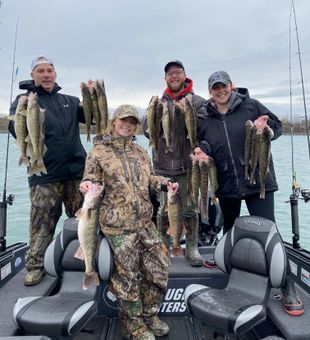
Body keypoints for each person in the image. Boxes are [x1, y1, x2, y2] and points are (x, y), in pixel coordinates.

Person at [195, 70, 304, 316]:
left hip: (258, 182)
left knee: (270, 231)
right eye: (215, 88)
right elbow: (206, 142)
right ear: (210, 92)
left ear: (231, 86)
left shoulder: (251, 105)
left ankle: (287, 285)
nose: (220, 91)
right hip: (226, 184)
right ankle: (232, 273)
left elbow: (277, 126)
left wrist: (266, 128)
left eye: (224, 86)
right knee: (230, 229)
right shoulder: (206, 116)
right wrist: (201, 150)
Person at [80, 105, 177, 340]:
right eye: (124, 120)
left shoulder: (140, 151)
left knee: (160, 268)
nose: (128, 125)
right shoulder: (98, 152)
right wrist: (86, 186)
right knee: (128, 277)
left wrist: (165, 183)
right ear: (114, 122)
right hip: (118, 226)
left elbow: (149, 178)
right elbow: (90, 180)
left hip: (145, 222)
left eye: (132, 122)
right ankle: (132, 326)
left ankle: (149, 315)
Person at [8, 55, 86, 286]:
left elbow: (94, 117)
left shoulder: (70, 101)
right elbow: (16, 128)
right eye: (40, 71)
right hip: (44, 174)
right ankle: (35, 266)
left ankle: (84, 261)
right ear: (32, 75)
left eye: (49, 70)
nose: (46, 75)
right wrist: (24, 107)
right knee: (41, 223)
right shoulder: (23, 100)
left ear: (56, 74)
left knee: (83, 222)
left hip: (77, 173)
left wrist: (93, 94)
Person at [143, 60, 207, 266]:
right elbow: (146, 129)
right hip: (162, 167)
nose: (174, 76)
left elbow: (204, 128)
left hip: (187, 167)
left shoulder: (197, 101)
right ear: (165, 78)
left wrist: (183, 113)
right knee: (163, 209)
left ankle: (192, 248)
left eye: (178, 72)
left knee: (189, 209)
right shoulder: (158, 103)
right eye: (170, 74)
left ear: (185, 75)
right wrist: (154, 117)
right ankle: (163, 247)